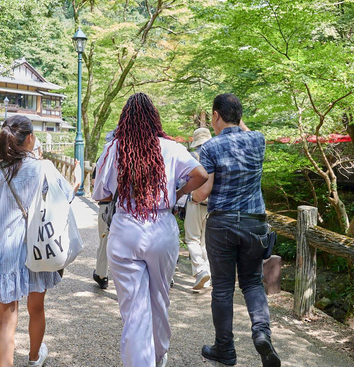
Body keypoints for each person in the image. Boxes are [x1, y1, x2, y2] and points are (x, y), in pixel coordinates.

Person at [92, 93, 208, 367]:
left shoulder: (113, 148)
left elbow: (102, 194)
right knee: (159, 297)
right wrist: (176, 192)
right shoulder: (171, 147)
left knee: (134, 309)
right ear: (154, 118)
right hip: (161, 228)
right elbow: (201, 174)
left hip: (125, 229)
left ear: (124, 120)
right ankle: (159, 354)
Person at [0, 115, 81, 367]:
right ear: (30, 138)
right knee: (36, 309)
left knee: (6, 322)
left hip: (2, 255)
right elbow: (63, 201)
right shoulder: (43, 168)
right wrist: (76, 179)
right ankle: (33, 359)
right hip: (35, 251)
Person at [193, 93, 281, 367]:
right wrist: (236, 118)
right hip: (255, 223)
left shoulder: (210, 147)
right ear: (240, 116)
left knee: (221, 288)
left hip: (223, 224)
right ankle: (262, 334)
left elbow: (203, 191)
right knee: (252, 282)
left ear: (216, 116)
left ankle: (225, 350)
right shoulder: (258, 139)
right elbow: (245, 129)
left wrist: (192, 196)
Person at [185, 127, 213, 291]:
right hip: (213, 204)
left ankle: (200, 270)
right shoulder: (217, 153)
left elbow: (184, 180)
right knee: (205, 242)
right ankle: (208, 276)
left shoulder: (192, 156)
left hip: (194, 201)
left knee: (192, 238)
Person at [93, 129, 116, 290]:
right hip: (126, 207)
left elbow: (96, 184)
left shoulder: (104, 156)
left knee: (105, 241)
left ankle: (102, 275)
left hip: (106, 206)